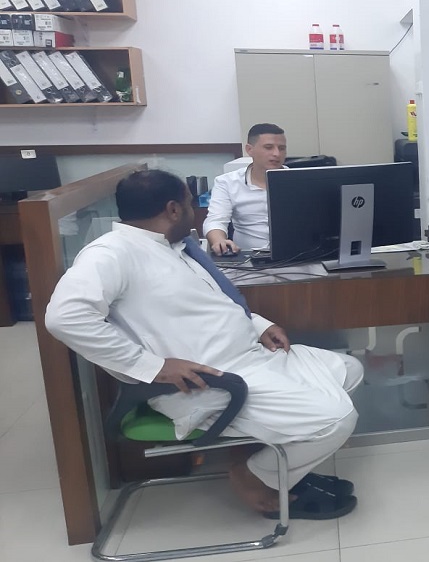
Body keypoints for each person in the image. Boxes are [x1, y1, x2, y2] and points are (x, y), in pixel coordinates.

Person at [46, 169, 362, 520]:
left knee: (348, 370)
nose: (196, 211)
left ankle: (271, 459)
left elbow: (207, 303)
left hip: (252, 357)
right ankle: (254, 477)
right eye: (190, 203)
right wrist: (153, 367)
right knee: (337, 419)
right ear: (173, 209)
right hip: (211, 381)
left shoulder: (174, 246)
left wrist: (258, 325)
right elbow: (65, 317)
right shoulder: (112, 253)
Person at [204, 123, 288, 255]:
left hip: (296, 254)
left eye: (281, 148)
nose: (276, 154)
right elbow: (215, 221)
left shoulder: (300, 180)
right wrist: (219, 241)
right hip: (249, 257)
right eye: (268, 147)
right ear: (250, 150)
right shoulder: (227, 182)